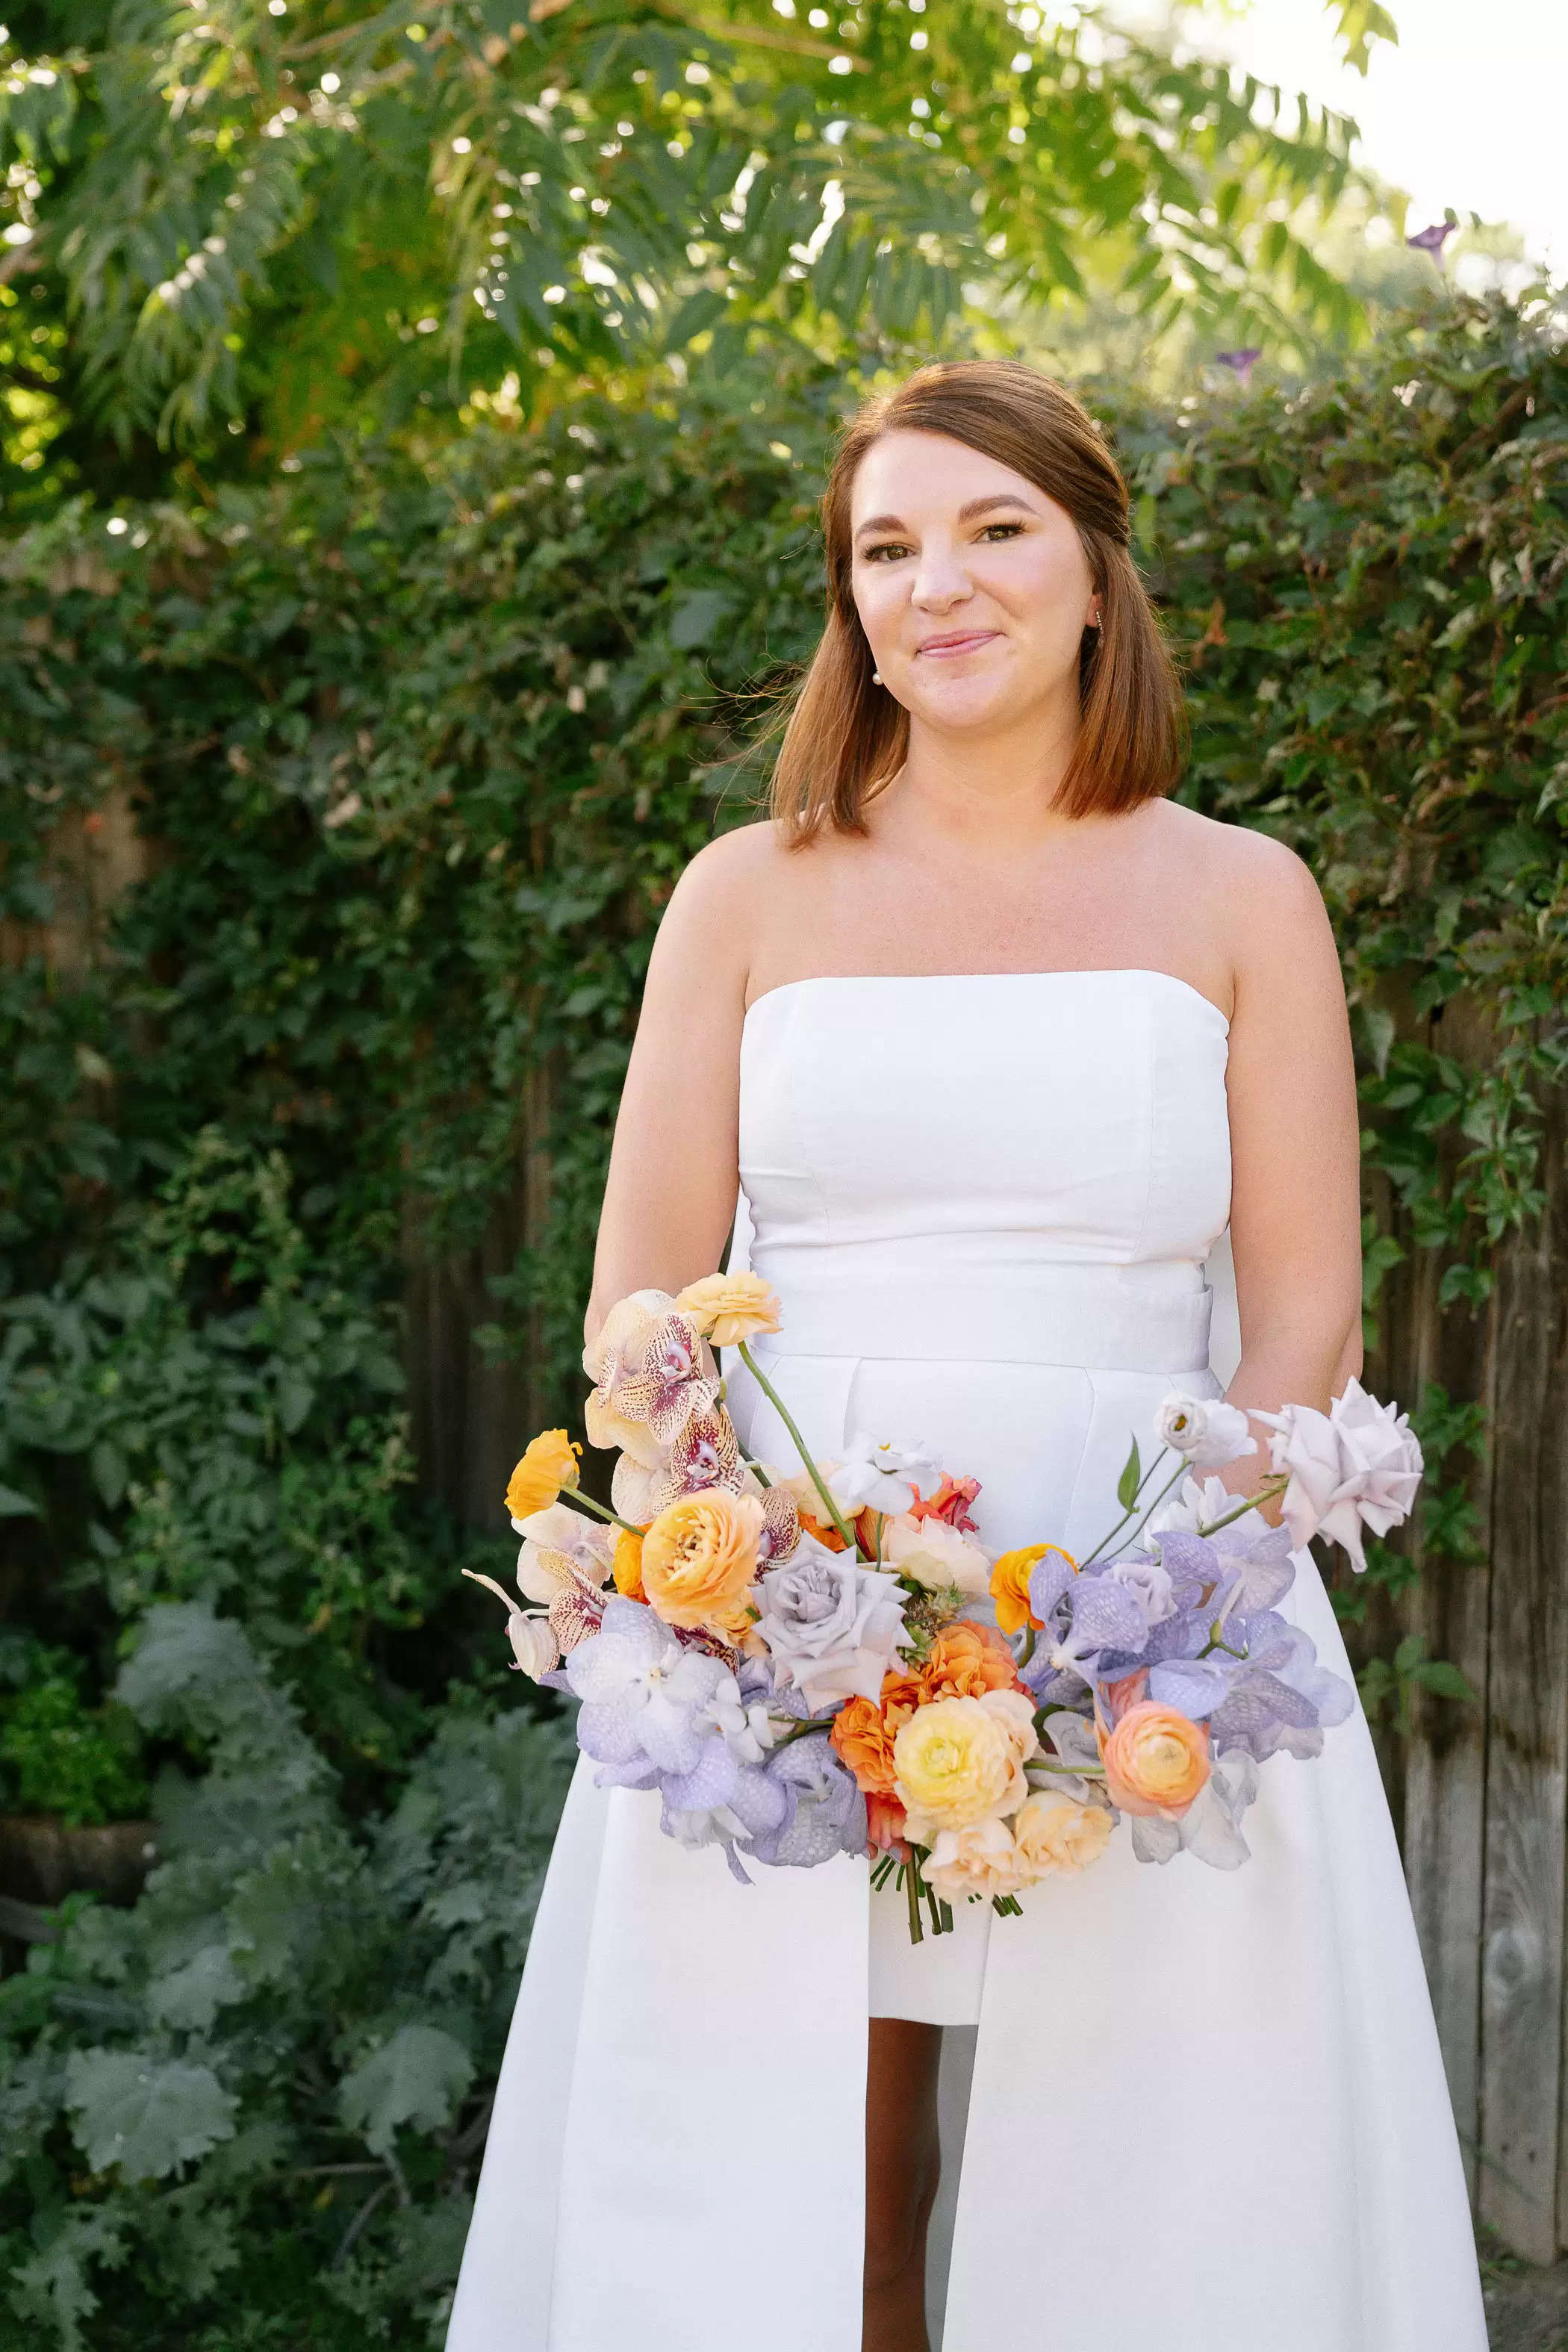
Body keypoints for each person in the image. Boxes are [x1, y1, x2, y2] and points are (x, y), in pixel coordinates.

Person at [447, 361, 1488, 2352]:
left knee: (1151, 2147)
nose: (941, 584)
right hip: (795, 1602)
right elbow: (641, 1302)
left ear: (1097, 572)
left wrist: (1166, 1610)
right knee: (790, 2143)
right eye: (885, 549)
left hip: (1149, 1601)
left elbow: (1303, 1310)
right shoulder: (743, 895)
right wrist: (750, 1583)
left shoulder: (1241, 895)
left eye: (993, 529)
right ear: (847, 606)